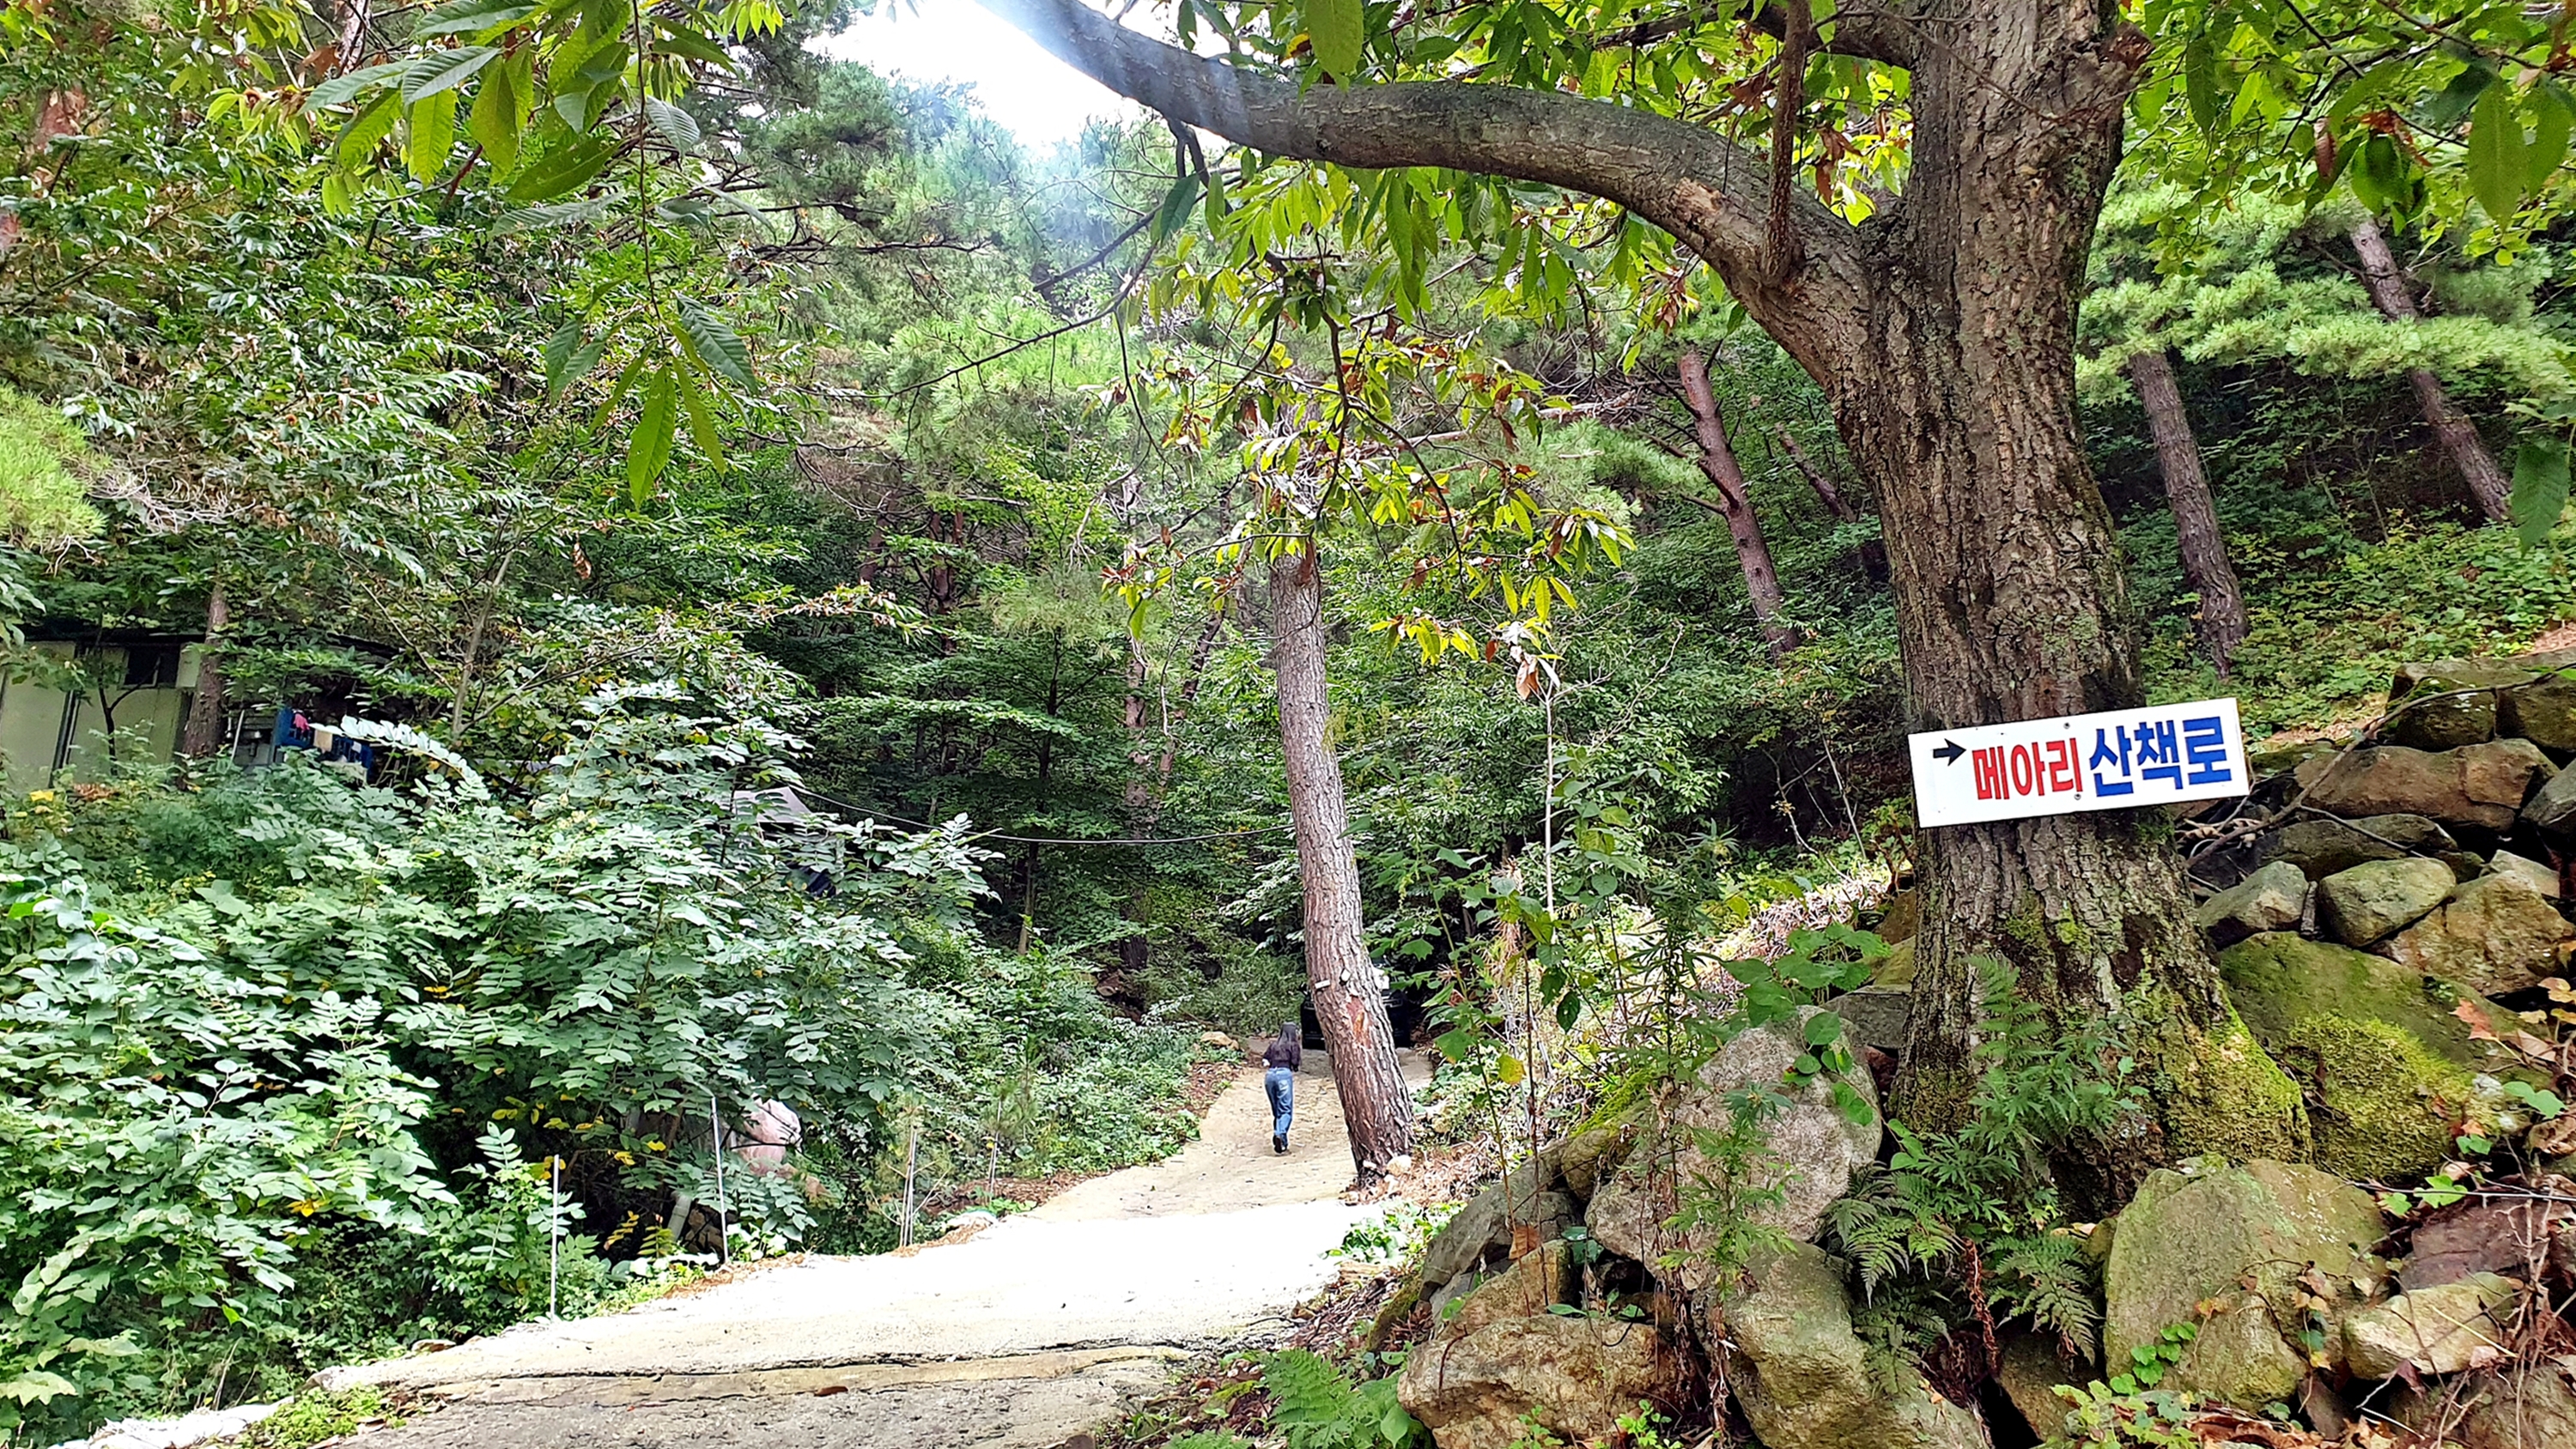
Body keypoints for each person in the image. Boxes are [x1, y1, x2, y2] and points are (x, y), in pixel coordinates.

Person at [1262, 1018, 1302, 1154]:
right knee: (1285, 1110)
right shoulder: (1293, 1045)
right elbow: (1295, 1063)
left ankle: (1282, 1141)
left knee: (1277, 1111)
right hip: (1284, 1075)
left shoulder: (1274, 1045)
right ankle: (1279, 1134)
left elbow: (1265, 1059)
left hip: (1270, 1076)